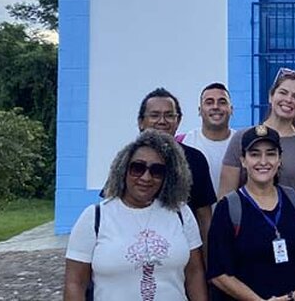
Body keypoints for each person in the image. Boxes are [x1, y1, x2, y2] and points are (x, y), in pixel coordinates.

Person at [64, 129, 207, 301]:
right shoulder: (95, 217)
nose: (146, 178)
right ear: (123, 169)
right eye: (137, 168)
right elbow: (75, 283)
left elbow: (194, 273)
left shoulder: (181, 213)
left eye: (157, 171)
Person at [207, 125, 295, 301]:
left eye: (270, 153)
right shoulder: (229, 207)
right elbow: (218, 273)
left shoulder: (294, 200)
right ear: (243, 160)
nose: (263, 161)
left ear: (280, 159)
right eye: (254, 154)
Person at [219, 67, 295, 218]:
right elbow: (225, 195)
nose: (288, 100)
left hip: (294, 230)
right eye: (283, 93)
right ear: (271, 96)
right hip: (248, 229)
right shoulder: (242, 138)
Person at [138, 88, 219, 247]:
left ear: (178, 121)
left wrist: (210, 265)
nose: (162, 121)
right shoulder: (128, 160)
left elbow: (204, 218)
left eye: (169, 115)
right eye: (154, 115)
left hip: (185, 253)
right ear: (141, 122)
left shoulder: (195, 159)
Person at [182, 82, 236, 190]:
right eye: (209, 102)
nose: (215, 107)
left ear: (231, 110)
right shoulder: (183, 142)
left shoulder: (241, 143)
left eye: (222, 102)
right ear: (200, 111)